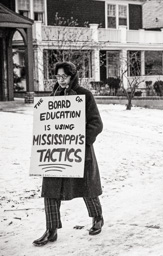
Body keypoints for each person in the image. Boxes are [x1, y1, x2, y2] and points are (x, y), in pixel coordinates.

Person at [33, 62, 104, 246]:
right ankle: (51, 229)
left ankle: (97, 218)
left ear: (72, 76)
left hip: (78, 152)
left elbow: (96, 124)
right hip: (56, 152)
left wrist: (81, 141)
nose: (61, 80)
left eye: (64, 76)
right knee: (50, 189)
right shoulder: (52, 97)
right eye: (57, 77)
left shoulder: (84, 95)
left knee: (87, 187)